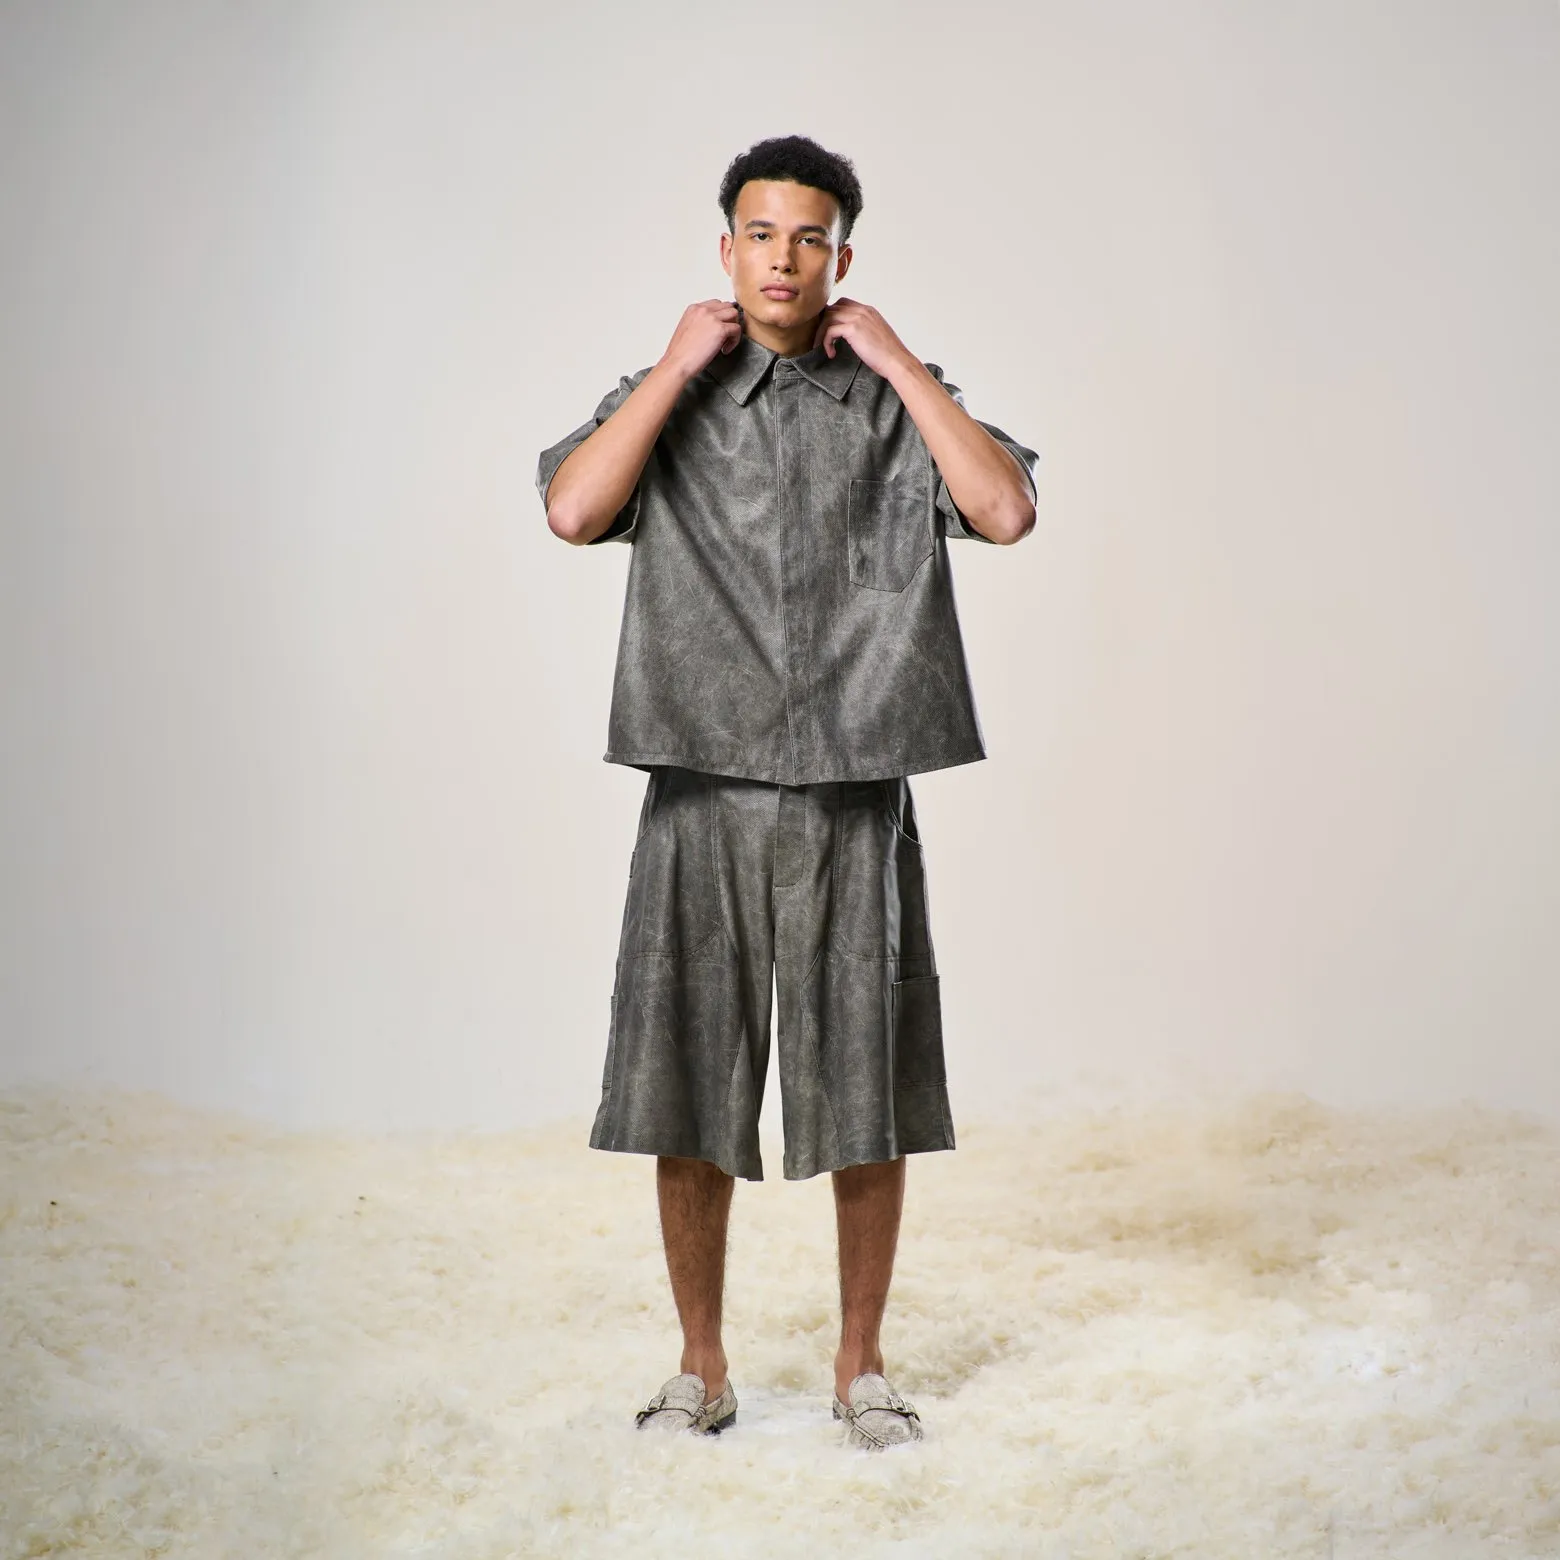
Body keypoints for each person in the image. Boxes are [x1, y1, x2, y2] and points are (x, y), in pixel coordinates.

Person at [535, 134, 1038, 1449]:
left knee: (866, 1087)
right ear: (727, 249)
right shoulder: (670, 391)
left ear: (840, 257)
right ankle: (699, 1367)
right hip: (699, 783)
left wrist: (902, 363)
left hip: (854, 790)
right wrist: (671, 368)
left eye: (809, 237)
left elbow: (1004, 511)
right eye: (761, 234)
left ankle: (860, 1367)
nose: (783, 258)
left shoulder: (892, 398)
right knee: (684, 1083)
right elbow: (574, 511)